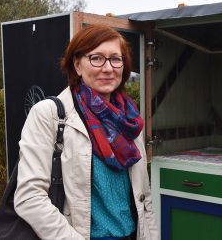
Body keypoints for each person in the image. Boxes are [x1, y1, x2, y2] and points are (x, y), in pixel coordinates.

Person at [14, 24, 159, 240]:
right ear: (77, 65)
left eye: (115, 59)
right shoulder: (50, 115)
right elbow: (29, 197)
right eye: (97, 58)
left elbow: (144, 198)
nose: (108, 68)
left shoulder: (130, 120)